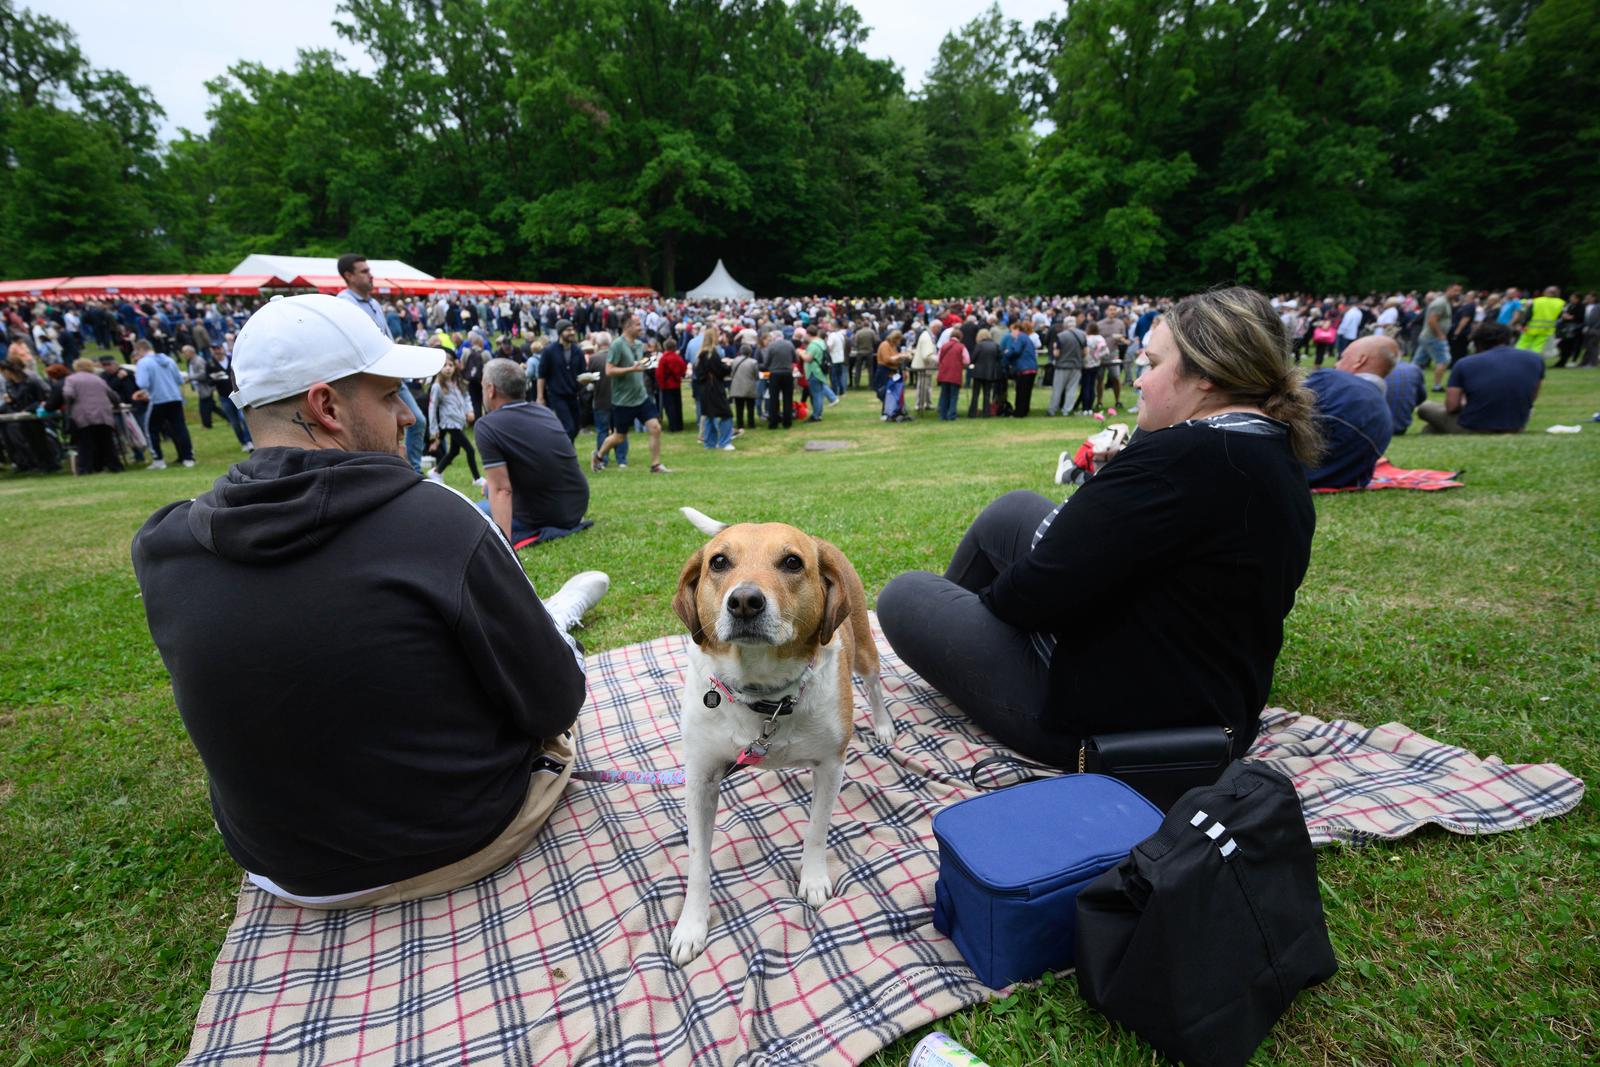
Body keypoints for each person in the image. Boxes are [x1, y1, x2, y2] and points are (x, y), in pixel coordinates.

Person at [131, 293, 608, 909]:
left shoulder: (164, 542)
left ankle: (545, 614)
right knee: (546, 666)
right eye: (389, 396)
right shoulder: (436, 521)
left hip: (282, 868)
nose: (409, 415)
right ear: (325, 405)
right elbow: (553, 703)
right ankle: (551, 618)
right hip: (458, 838)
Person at [877, 287, 1319, 765]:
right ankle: (964, 651)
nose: (1140, 382)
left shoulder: (1179, 457)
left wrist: (997, 614)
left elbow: (1027, 598)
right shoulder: (1270, 447)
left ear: (1207, 375)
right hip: (1210, 689)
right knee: (1012, 510)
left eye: (1151, 364)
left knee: (906, 595)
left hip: (1116, 722)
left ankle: (971, 662)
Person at [475, 357, 593, 545]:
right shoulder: (544, 412)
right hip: (575, 509)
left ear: (491, 390)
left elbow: (502, 490)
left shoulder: (487, 425)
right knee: (490, 487)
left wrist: (503, 544)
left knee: (471, 512)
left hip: (543, 515)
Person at [337, 254, 427, 474]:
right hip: (370, 380)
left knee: (417, 421)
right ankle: (392, 472)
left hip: (392, 375)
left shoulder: (374, 303)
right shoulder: (344, 303)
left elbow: (385, 337)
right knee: (378, 430)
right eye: (364, 271)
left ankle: (412, 470)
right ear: (349, 276)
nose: (371, 275)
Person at [1303, 336, 1397, 489]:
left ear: (1360, 360)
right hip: (1323, 480)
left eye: (1342, 357)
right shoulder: (1385, 422)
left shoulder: (1333, 380)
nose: (1336, 364)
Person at [1416, 322, 1544, 434]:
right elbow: (1531, 397)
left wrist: (1466, 402)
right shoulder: (1535, 359)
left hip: (1474, 425)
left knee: (1425, 408)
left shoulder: (1465, 363)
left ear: (1478, 343)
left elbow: (1451, 406)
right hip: (1516, 424)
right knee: (1431, 428)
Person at [592, 314, 669, 473]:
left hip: (641, 396)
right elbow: (609, 370)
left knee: (655, 427)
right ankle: (598, 457)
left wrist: (653, 358)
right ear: (627, 326)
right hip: (623, 401)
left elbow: (643, 365)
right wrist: (631, 369)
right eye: (637, 325)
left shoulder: (640, 345)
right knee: (619, 437)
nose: (641, 328)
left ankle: (655, 465)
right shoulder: (617, 345)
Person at [132, 339, 194, 469]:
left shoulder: (143, 363)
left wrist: (145, 390)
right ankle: (188, 458)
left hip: (157, 399)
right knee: (180, 428)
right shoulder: (169, 360)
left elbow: (142, 383)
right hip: (175, 398)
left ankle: (158, 460)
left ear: (140, 349)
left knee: (151, 430)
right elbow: (179, 379)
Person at [62, 358, 125, 474]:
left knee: (85, 443)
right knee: (107, 442)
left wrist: (69, 407)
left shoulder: (71, 379)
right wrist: (116, 404)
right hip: (103, 414)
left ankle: (85, 468)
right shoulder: (98, 379)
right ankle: (114, 466)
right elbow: (112, 394)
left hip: (83, 415)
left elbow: (68, 394)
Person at [427, 360, 482, 486]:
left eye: (450, 365)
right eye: (444, 365)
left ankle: (436, 471)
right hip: (449, 422)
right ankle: (477, 478)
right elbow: (432, 408)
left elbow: (466, 397)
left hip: (458, 422)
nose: (448, 368)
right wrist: (433, 429)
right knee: (470, 449)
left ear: (455, 367)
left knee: (454, 451)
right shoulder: (437, 387)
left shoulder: (457, 383)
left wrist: (469, 411)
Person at [536, 320, 585, 440]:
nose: (572, 332)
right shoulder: (549, 351)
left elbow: (582, 372)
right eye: (568, 330)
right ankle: (567, 454)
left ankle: (563, 450)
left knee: (576, 426)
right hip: (557, 395)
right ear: (560, 332)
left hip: (573, 394)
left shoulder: (577, 351)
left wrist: (585, 381)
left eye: (573, 329)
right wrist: (540, 396)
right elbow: (541, 375)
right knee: (569, 427)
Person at [695, 326, 735, 449]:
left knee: (709, 414)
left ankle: (710, 443)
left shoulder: (701, 354)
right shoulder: (712, 354)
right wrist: (728, 367)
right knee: (726, 414)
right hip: (714, 388)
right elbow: (719, 370)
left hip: (704, 388)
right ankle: (724, 442)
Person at [1414, 284, 1459, 393]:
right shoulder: (1440, 303)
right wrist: (1440, 335)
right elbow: (1432, 320)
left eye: (1459, 291)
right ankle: (1437, 386)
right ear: (1448, 290)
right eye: (1455, 291)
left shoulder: (1445, 302)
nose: (1457, 293)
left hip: (1427, 336)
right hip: (1432, 337)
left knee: (1418, 362)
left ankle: (1411, 382)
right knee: (1444, 360)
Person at [1385, 350, 1428, 435]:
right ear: (1400, 352)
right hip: (1400, 427)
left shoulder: (1363, 371)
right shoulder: (1414, 369)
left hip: (1370, 429)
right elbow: (1421, 398)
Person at [764, 326, 799, 429]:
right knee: (788, 398)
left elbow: (766, 363)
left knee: (773, 399)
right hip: (788, 373)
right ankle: (787, 422)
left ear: (774, 337)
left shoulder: (771, 346)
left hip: (774, 374)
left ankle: (773, 423)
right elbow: (795, 359)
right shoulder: (789, 344)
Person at [1048, 320, 1086, 416]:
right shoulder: (1082, 335)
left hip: (1062, 366)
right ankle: (1067, 410)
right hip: (1076, 366)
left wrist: (1054, 349)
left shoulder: (1061, 336)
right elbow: (1085, 352)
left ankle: (1052, 410)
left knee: (1057, 389)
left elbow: (1057, 353)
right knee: (1072, 389)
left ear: (1065, 325)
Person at [1519, 286, 1564, 358]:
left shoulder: (1537, 301)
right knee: (1537, 347)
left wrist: (1523, 324)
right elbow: (1560, 316)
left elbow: (1529, 314)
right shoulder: (1560, 303)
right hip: (1546, 329)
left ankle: (1517, 358)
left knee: (1523, 343)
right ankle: (1533, 360)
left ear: (1545, 292)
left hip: (1530, 327)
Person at [655, 338, 688, 432]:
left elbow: (659, 373)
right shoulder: (678, 357)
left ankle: (673, 426)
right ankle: (679, 425)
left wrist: (661, 385)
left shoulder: (663, 358)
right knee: (677, 406)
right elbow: (683, 368)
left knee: (669, 407)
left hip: (666, 386)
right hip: (676, 385)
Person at [936, 328, 969, 420]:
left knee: (944, 395)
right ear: (960, 337)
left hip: (944, 373)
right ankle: (951, 415)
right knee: (953, 396)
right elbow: (967, 360)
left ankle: (942, 415)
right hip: (955, 373)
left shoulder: (944, 346)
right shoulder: (961, 347)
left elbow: (938, 359)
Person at [968, 328, 1001, 418]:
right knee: (987, 394)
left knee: (975, 394)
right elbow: (999, 357)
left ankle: (973, 413)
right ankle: (986, 413)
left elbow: (973, 358)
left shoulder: (979, 345)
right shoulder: (995, 345)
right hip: (990, 372)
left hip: (978, 372)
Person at [729, 342, 759, 430]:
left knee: (739, 407)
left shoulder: (734, 360)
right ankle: (751, 424)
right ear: (750, 352)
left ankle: (740, 424)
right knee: (750, 407)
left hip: (736, 386)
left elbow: (731, 373)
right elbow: (756, 375)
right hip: (749, 386)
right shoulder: (754, 362)